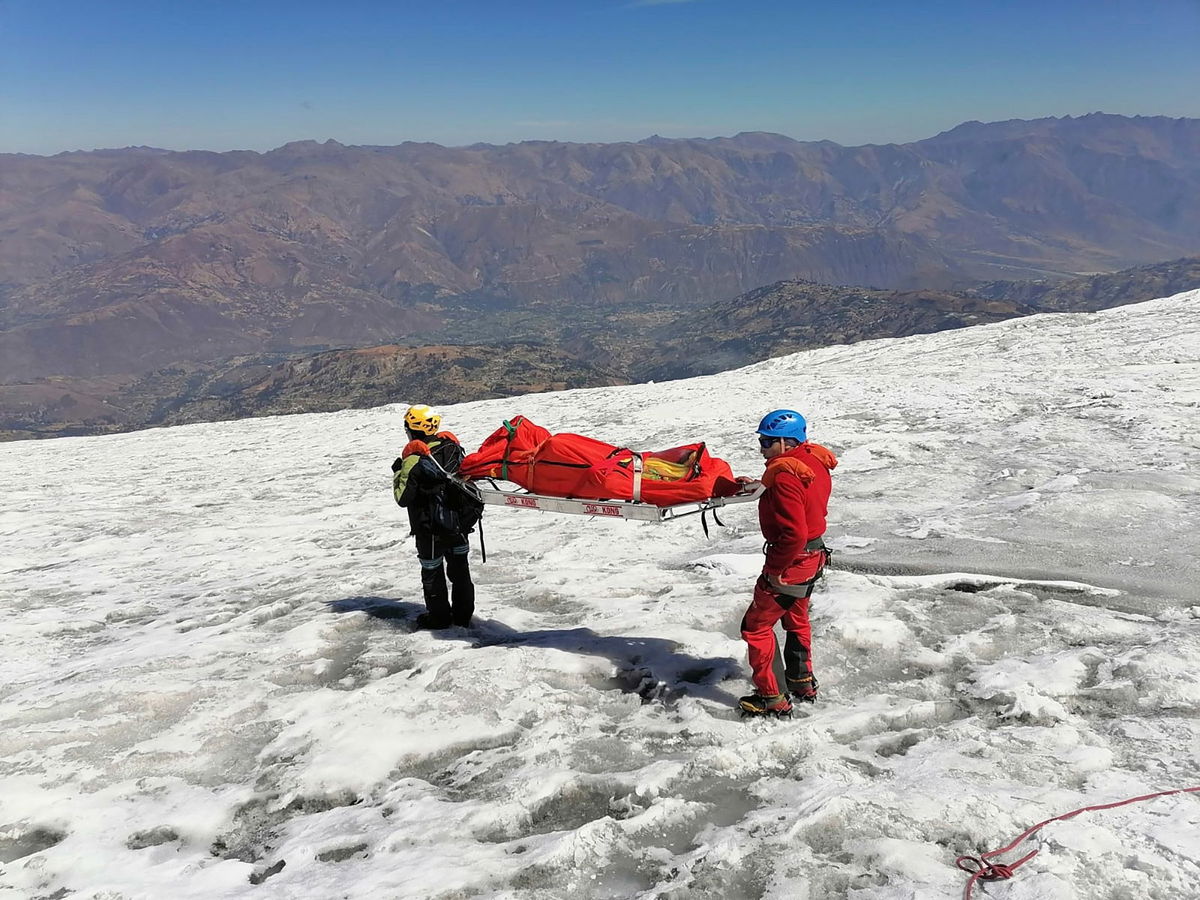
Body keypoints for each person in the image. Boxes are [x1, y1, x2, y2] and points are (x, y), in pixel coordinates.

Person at [738, 409, 838, 717]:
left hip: (793, 561)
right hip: (814, 556)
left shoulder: (783, 475)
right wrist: (761, 484)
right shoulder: (812, 460)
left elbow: (793, 533)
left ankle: (771, 697)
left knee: (756, 627)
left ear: (785, 441)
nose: (762, 449)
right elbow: (802, 494)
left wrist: (775, 571)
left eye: (767, 442)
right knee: (796, 619)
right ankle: (801, 680)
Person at [391, 404, 476, 629]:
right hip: (458, 525)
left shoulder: (413, 459)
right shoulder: (452, 448)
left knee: (432, 572)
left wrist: (398, 471)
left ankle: (438, 620)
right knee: (460, 571)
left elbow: (402, 498)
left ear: (412, 429)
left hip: (429, 529)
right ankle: (463, 617)